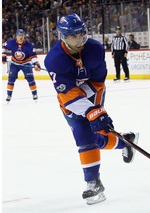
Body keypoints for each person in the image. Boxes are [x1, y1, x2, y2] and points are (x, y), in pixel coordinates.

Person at [44, 13, 139, 205]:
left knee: (91, 136)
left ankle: (93, 183)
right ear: (63, 36)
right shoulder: (54, 59)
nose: (79, 39)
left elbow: (98, 82)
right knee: (89, 138)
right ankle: (125, 142)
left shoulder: (94, 49)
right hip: (69, 102)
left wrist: (96, 110)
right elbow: (68, 93)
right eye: (74, 36)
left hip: (93, 92)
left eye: (81, 34)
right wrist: (88, 111)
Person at [2, 29, 41, 102]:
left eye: (22, 35)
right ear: (16, 36)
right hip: (14, 63)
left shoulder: (29, 45)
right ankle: (9, 95)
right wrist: (3, 55)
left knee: (30, 79)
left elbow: (33, 56)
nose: (20, 37)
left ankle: (34, 94)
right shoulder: (11, 42)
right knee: (11, 79)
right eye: (19, 35)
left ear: (24, 36)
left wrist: (36, 64)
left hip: (26, 63)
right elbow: (4, 46)